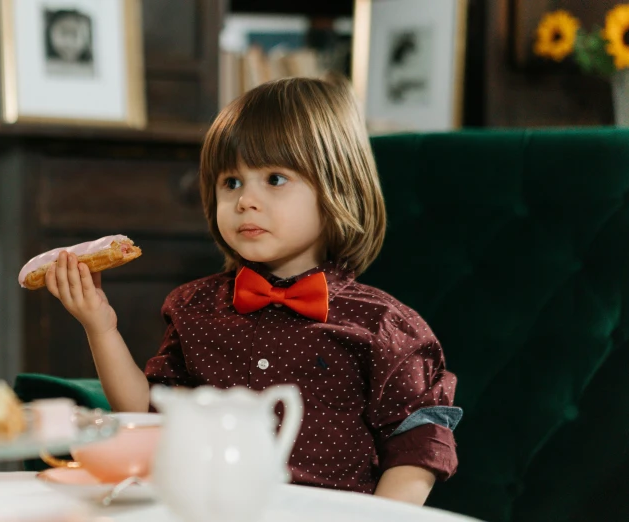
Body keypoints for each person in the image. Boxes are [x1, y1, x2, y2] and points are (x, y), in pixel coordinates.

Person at [44, 76, 462, 506]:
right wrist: (101, 327)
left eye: (275, 179)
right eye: (231, 182)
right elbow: (147, 415)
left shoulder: (386, 326)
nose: (245, 200)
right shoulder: (193, 308)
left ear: (337, 187)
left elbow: (416, 447)